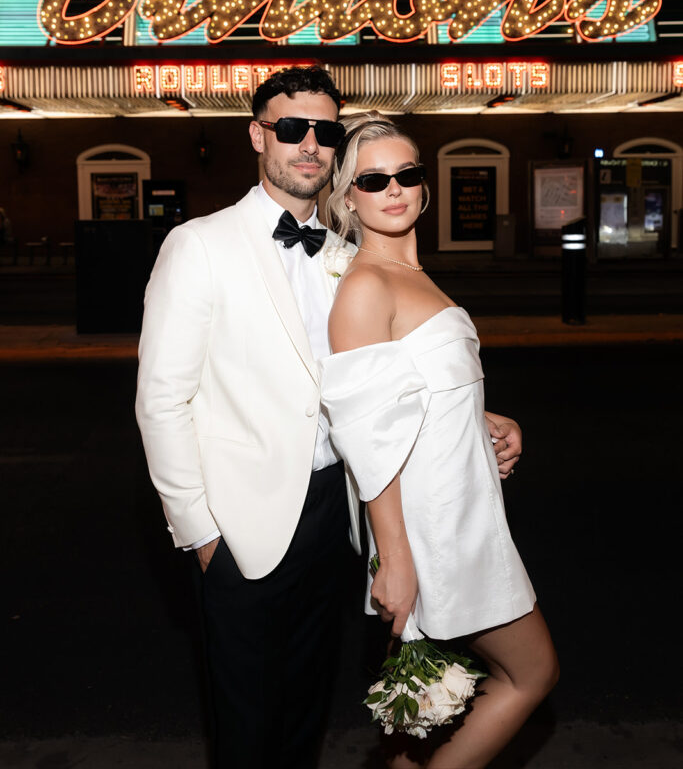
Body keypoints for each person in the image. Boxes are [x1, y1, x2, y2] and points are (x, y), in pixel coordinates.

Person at [136, 67, 523, 769]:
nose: (308, 144)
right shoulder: (200, 245)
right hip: (241, 525)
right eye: (290, 128)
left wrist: (477, 414)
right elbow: (161, 400)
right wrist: (200, 534)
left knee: (307, 714)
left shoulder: (351, 255)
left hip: (337, 516)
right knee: (247, 728)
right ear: (258, 135)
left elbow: (375, 384)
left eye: (324, 131)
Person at [321, 113, 559, 769]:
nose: (393, 189)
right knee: (529, 675)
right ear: (347, 198)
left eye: (407, 174)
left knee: (421, 713)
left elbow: (415, 394)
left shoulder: (414, 277)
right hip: (434, 531)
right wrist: (394, 561)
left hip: (461, 512)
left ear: (424, 186)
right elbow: (368, 438)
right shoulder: (366, 287)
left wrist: (485, 416)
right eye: (373, 179)